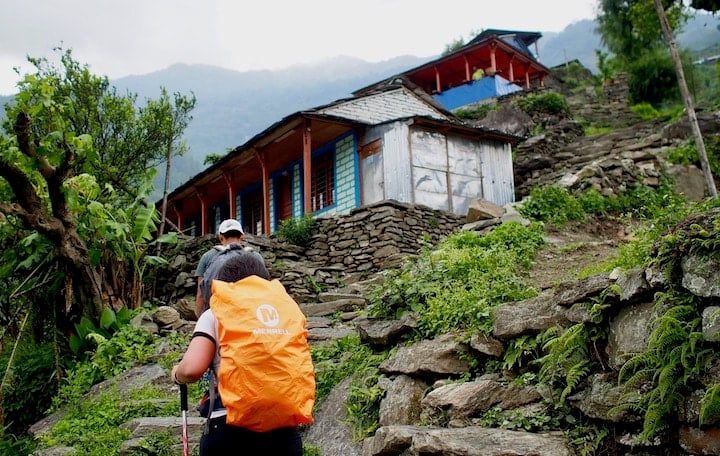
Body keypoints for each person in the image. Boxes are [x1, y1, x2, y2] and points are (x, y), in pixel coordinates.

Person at [171, 251, 304, 455]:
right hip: (284, 427)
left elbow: (191, 369)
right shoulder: (288, 313)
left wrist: (176, 374)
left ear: (226, 285)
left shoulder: (215, 313)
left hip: (229, 426)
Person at [194, 219, 246, 318]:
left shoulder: (208, 257)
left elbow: (201, 292)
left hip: (216, 315)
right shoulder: (255, 257)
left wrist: (200, 322)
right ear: (242, 236)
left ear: (220, 237)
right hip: (246, 315)